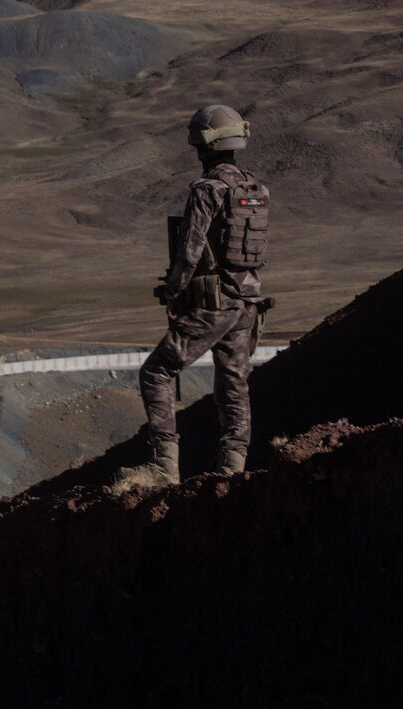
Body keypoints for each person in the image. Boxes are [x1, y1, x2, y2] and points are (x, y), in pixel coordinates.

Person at [112, 104, 270, 493]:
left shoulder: (207, 190)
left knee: (156, 372)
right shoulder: (255, 189)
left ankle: (165, 469)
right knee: (234, 384)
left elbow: (191, 250)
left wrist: (174, 291)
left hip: (213, 305)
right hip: (248, 304)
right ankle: (232, 470)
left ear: (202, 143)